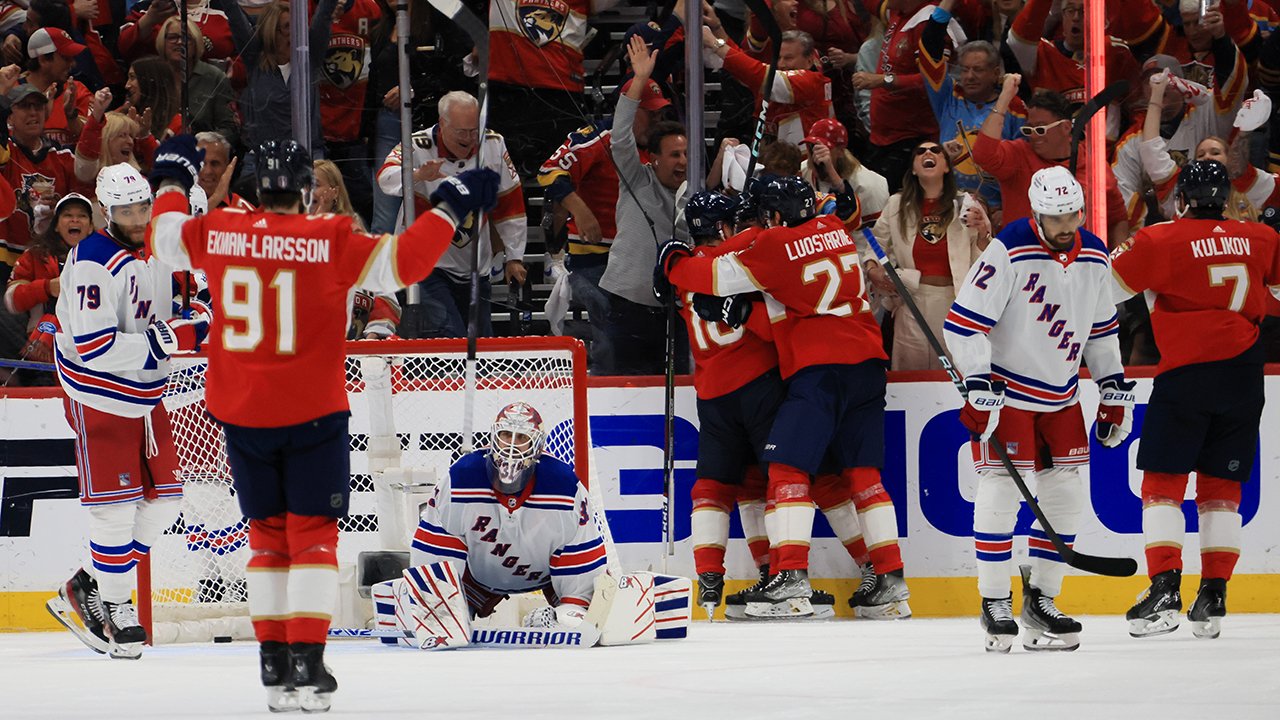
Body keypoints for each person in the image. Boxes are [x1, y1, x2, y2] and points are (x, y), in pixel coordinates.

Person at [148, 135, 499, 711]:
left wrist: (168, 180)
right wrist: (451, 204)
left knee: (265, 539)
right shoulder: (329, 238)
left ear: (255, 188)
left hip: (241, 413)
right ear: (307, 192)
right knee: (311, 539)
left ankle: (272, 662)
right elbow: (406, 264)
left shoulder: (217, 231)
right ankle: (308, 660)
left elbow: (162, 240)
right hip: (313, 411)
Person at [662, 175, 908, 619]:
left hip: (816, 370)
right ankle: (890, 579)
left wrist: (673, 267)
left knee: (785, 468)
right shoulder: (834, 226)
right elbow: (797, 287)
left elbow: (715, 274)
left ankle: (788, 574)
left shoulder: (773, 247)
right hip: (868, 362)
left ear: (773, 216)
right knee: (862, 475)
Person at [943, 166, 1134, 653]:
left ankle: (1043, 598)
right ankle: (993, 601)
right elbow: (963, 324)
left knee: (1067, 497)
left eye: (1072, 213)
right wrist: (978, 379)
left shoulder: (1093, 254)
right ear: (1036, 213)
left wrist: (1111, 388)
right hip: (1009, 394)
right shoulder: (1008, 248)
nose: (1066, 224)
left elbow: (1101, 330)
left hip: (1062, 395)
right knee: (1002, 491)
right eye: (1056, 216)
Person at [43, 164, 206, 660]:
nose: (137, 218)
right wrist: (169, 338)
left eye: (143, 207)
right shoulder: (92, 258)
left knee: (166, 500)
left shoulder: (162, 244)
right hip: (97, 393)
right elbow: (94, 347)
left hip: (145, 391)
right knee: (114, 510)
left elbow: (199, 298)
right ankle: (116, 611)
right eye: (126, 210)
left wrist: (199, 313)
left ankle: (86, 585)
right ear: (106, 211)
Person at [1114, 160, 1280, 641]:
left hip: (1187, 372)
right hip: (1245, 374)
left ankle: (1165, 587)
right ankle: (1215, 595)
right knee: (1221, 487)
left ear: (1181, 200)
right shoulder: (1262, 238)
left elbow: (1106, 289)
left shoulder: (1160, 238)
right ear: (1226, 198)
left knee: (1163, 483)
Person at [401, 402, 608, 630]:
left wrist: (573, 609)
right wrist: (433, 601)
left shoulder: (564, 487)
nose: (511, 445)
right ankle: (456, 607)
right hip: (477, 581)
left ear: (537, 445)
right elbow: (435, 550)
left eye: (521, 438)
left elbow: (580, 551)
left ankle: (565, 614)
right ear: (493, 437)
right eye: (506, 435)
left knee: (573, 623)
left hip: (548, 578)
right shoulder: (460, 479)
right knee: (436, 617)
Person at [537, 76, 672, 373]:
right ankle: (605, 390)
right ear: (632, 108)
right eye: (652, 113)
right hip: (593, 257)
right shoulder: (598, 137)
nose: (658, 120)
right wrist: (580, 210)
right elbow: (549, 169)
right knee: (612, 332)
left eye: (661, 113)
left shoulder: (663, 145)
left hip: (642, 259)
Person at [376, 91, 527, 338]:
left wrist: (515, 257)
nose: (469, 138)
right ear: (442, 123)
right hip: (426, 264)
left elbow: (511, 201)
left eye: (473, 130)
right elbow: (384, 178)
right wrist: (418, 176)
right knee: (451, 339)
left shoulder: (493, 144)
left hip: (476, 266)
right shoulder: (416, 144)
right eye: (461, 131)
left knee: (481, 345)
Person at [600, 36, 690, 375]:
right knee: (621, 394)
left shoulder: (694, 195)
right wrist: (639, 80)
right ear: (653, 159)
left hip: (675, 312)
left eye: (685, 154)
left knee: (677, 391)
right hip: (627, 310)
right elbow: (620, 136)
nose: (682, 162)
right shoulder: (637, 178)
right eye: (674, 155)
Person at [866, 140, 991, 371]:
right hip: (911, 305)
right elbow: (875, 243)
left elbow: (984, 263)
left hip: (955, 304)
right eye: (920, 151)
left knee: (956, 381)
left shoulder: (967, 204)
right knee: (911, 381)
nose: (928, 153)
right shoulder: (896, 205)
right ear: (913, 168)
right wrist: (872, 269)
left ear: (946, 166)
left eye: (935, 150)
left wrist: (984, 233)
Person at [972, 75, 1130, 247]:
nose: (1033, 135)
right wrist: (1004, 98)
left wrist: (1116, 262)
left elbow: (1117, 218)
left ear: (1066, 127)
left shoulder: (1095, 165)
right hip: (1025, 263)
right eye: (1029, 129)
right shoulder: (1019, 155)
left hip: (1079, 265)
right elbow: (982, 154)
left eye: (1040, 129)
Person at [919, 0, 1026, 216]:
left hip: (996, 211)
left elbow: (1022, 168)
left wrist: (1006, 208)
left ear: (996, 73)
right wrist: (948, 3)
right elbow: (929, 46)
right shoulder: (948, 96)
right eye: (965, 69)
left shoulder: (1014, 108)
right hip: (947, 207)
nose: (969, 76)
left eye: (978, 70)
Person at [3, 192, 91, 385]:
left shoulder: (107, 258)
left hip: (90, 345)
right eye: (67, 215)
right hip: (42, 351)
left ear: (91, 227)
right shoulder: (35, 255)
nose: (75, 219)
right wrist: (47, 287)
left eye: (82, 215)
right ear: (57, 226)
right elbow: (11, 300)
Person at [312, 158, 400, 339]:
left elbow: (385, 294)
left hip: (355, 352)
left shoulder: (353, 231)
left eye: (315, 184)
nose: (307, 190)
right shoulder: (287, 236)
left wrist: (373, 337)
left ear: (334, 192)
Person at [702, 26, 833, 147]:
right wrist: (717, 27)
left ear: (809, 60)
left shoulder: (812, 82)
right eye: (778, 57)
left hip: (804, 166)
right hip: (772, 162)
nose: (781, 64)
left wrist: (715, 44)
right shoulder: (773, 79)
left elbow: (760, 75)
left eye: (788, 58)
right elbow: (743, 68)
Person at [800, 117, 889, 228]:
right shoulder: (802, 172)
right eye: (811, 147)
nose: (815, 157)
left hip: (857, 242)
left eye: (822, 149)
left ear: (840, 151)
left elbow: (874, 238)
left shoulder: (870, 185)